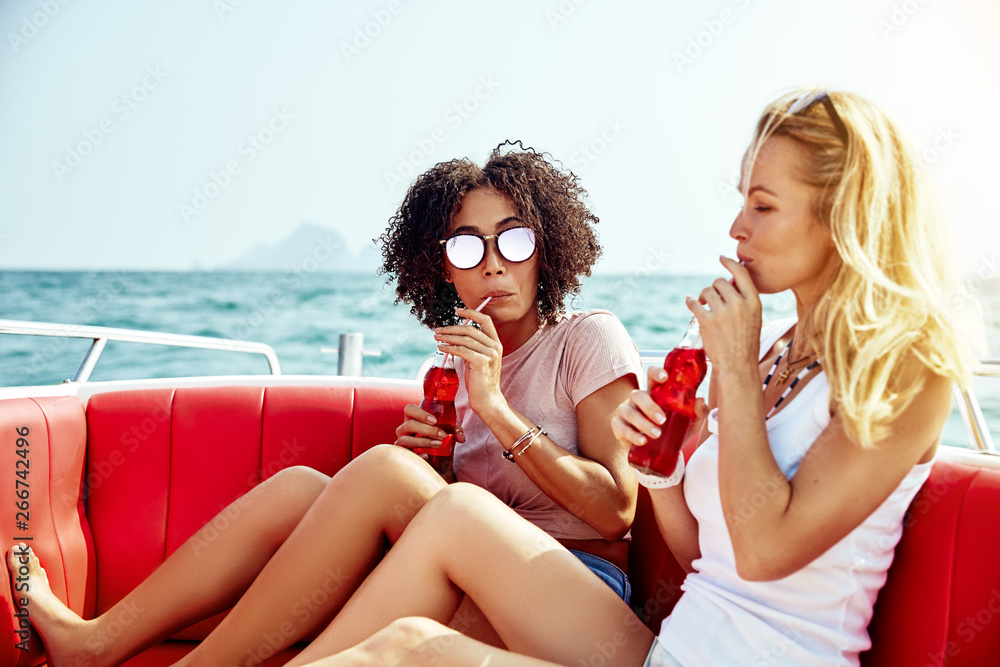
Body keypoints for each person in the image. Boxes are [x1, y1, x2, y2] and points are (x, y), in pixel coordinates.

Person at [263, 89, 979, 667]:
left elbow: (767, 553)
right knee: (411, 636)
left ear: (844, 215)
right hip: (672, 652)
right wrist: (663, 468)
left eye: (762, 205)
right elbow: (712, 558)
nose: (736, 227)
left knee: (408, 648)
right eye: (740, 200)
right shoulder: (773, 358)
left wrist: (730, 365)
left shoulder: (905, 363)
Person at [7, 142, 642, 666]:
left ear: (546, 251)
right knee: (302, 486)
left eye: (514, 242)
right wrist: (435, 463)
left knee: (386, 474)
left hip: (571, 591)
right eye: (468, 248)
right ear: (444, 269)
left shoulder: (586, 339)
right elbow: (459, 510)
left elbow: (615, 510)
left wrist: (497, 409)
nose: (494, 266)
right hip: (463, 574)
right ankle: (98, 644)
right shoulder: (452, 368)